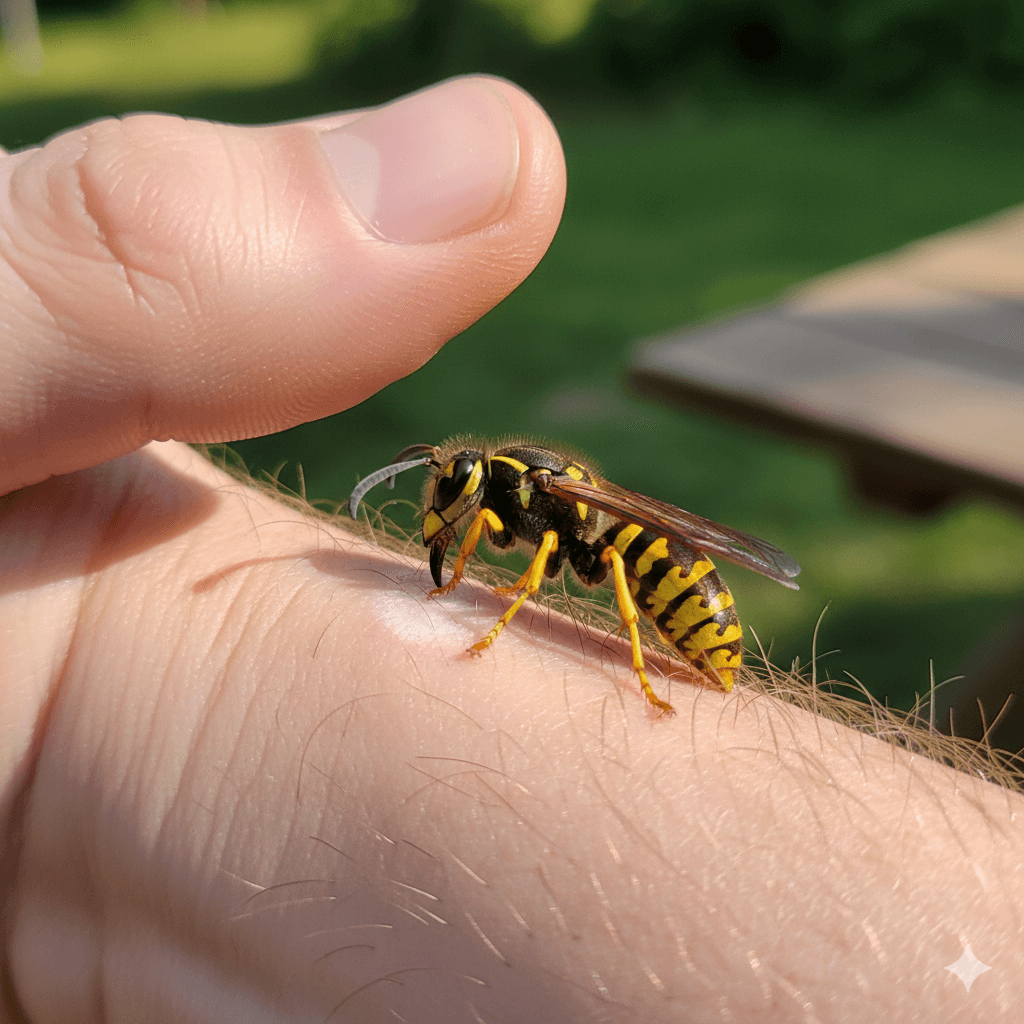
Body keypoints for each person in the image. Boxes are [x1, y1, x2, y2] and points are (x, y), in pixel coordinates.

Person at [0, 76, 1019, 1023]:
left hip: (663, 606)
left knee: (622, 560)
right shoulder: (505, 495)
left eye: (455, 499)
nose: (454, 514)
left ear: (492, 488)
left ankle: (643, 657)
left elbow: (585, 551)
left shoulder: (538, 501)